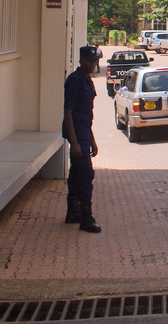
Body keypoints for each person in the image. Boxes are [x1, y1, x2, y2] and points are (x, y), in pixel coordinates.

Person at [63, 46, 101, 233]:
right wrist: (75, 142)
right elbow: (68, 112)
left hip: (84, 132)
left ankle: (73, 213)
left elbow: (88, 114)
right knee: (86, 174)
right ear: (81, 61)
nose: (92, 64)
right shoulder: (74, 81)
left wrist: (92, 138)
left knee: (77, 173)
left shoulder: (87, 80)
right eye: (89, 61)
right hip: (77, 134)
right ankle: (86, 218)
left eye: (94, 61)